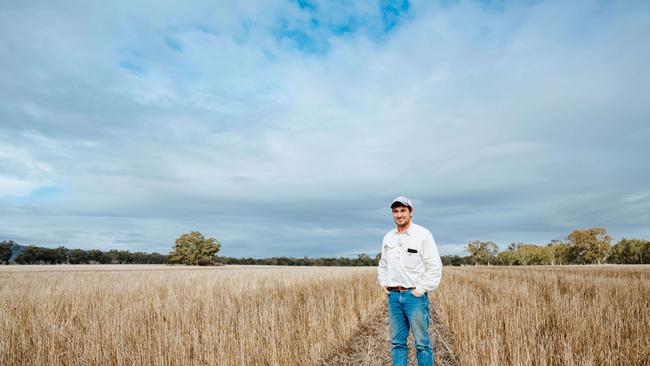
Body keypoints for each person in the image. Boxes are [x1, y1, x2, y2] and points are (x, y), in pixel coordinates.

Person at [377, 196, 443, 366]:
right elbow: (383, 264)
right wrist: (383, 282)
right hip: (393, 297)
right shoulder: (388, 238)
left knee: (422, 344)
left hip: (414, 297)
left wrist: (420, 290)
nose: (399, 215)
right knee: (397, 343)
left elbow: (434, 267)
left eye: (403, 211)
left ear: (411, 212)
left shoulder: (423, 235)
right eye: (395, 211)